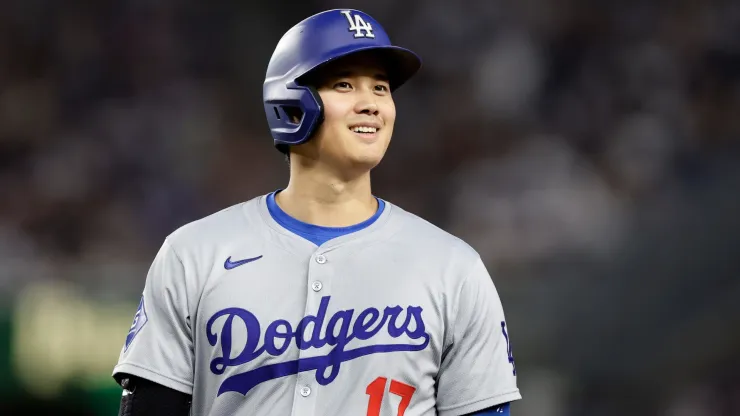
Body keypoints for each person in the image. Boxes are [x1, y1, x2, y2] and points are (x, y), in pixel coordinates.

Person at [112, 9, 521, 416]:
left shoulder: (453, 268)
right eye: (344, 85)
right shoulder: (194, 254)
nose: (371, 104)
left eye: (380, 88)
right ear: (289, 104)